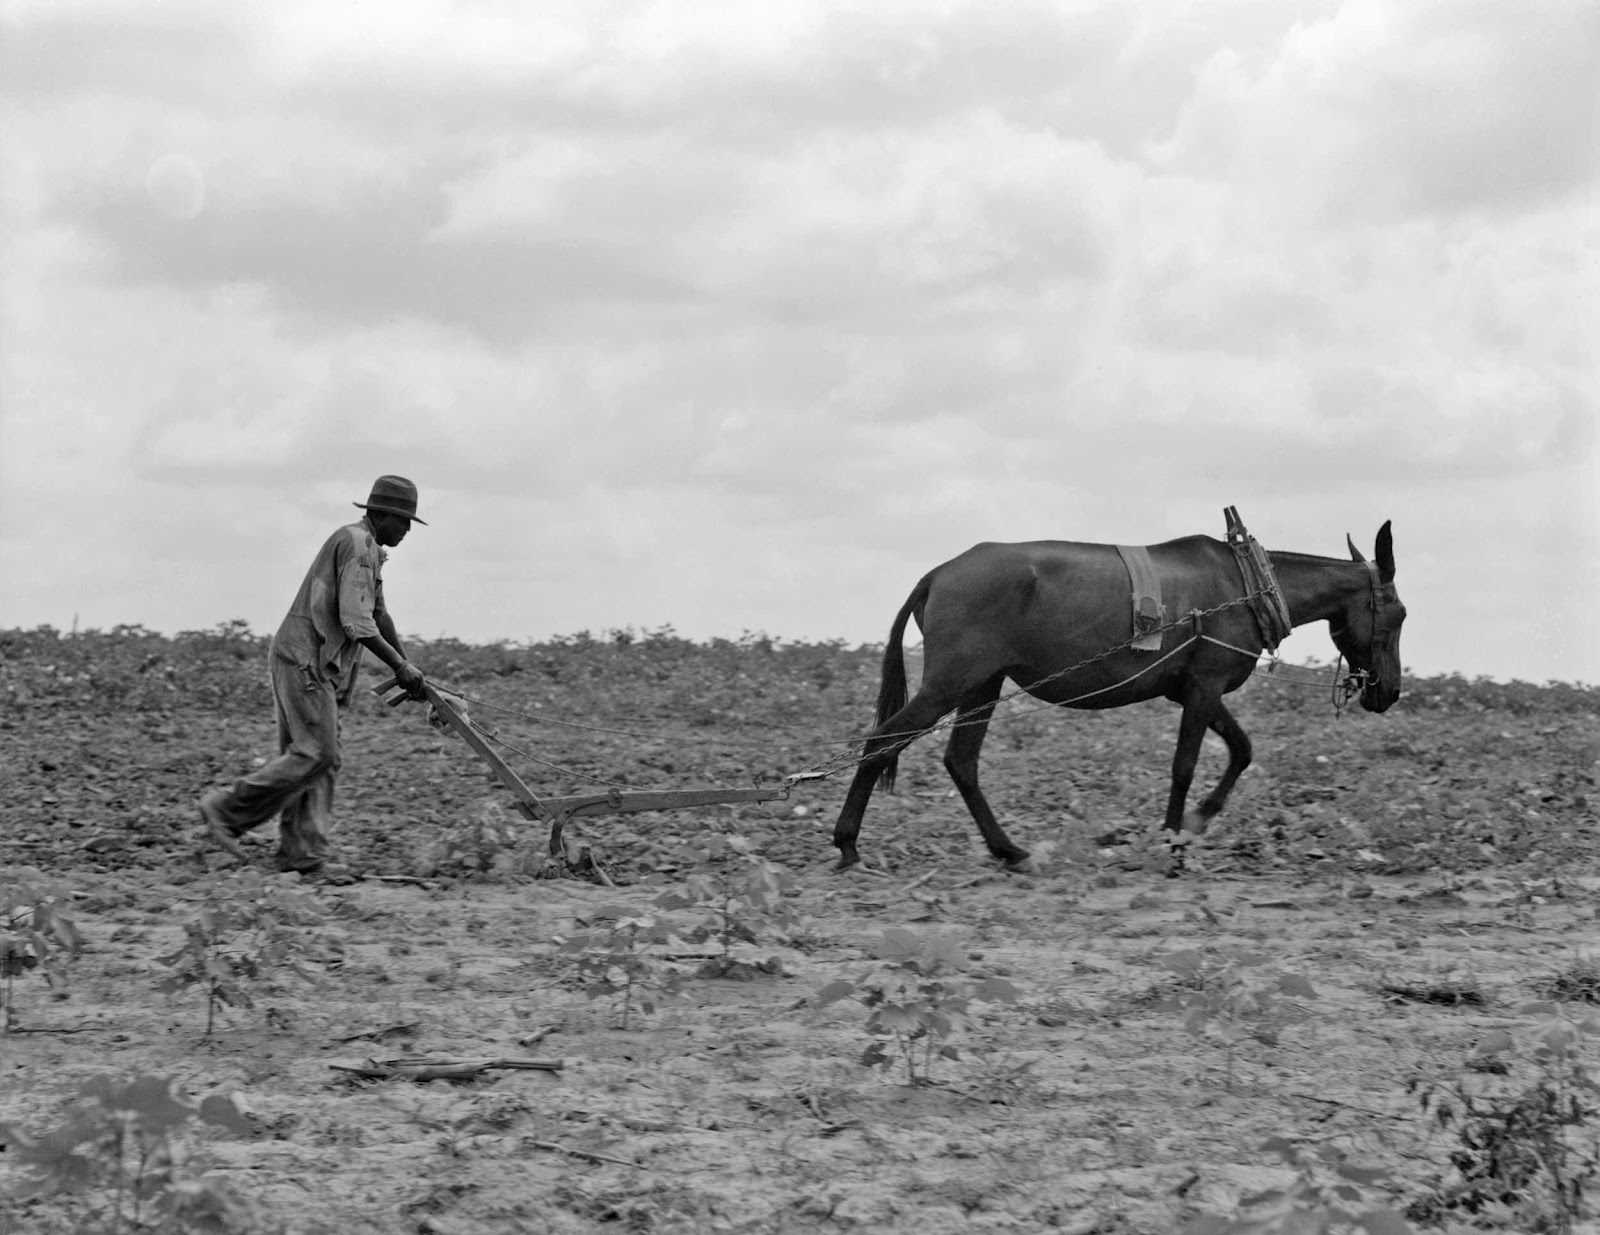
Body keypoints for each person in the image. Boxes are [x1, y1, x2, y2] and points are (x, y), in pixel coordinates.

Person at [198, 475, 430, 881]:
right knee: (316, 753)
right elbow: (357, 623)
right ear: (382, 515)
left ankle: (302, 855)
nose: (408, 530)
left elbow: (378, 615)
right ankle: (226, 809)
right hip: (306, 658)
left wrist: (408, 667)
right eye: (404, 520)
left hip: (314, 660)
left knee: (322, 757)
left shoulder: (368, 549)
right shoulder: (357, 546)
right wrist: (400, 668)